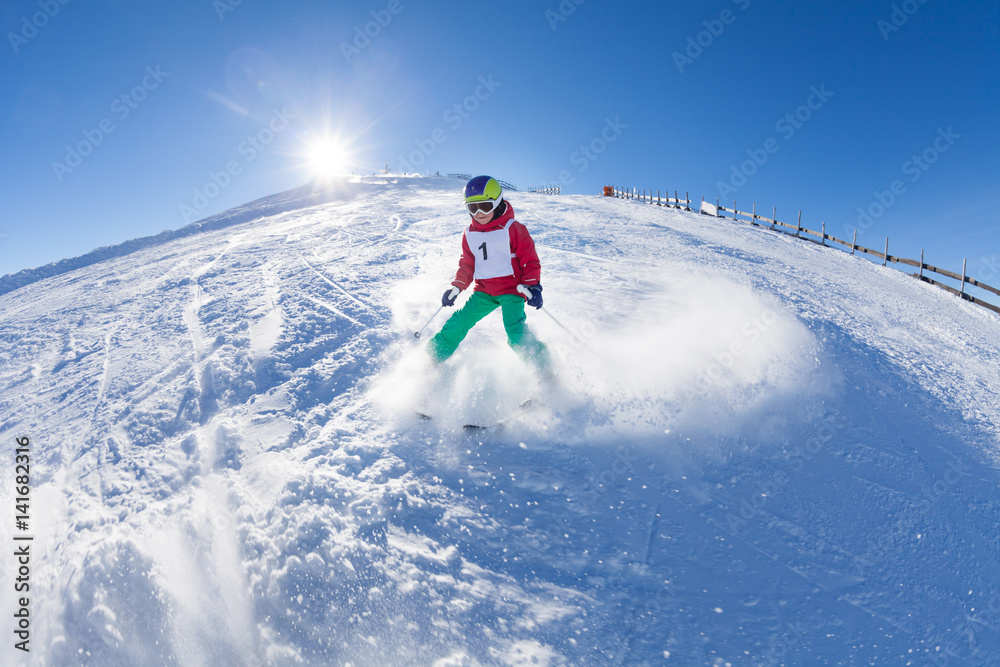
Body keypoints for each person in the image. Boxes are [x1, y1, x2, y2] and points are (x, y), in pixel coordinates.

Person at [427, 176, 551, 372]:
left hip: (512, 290)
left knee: (515, 332)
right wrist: (456, 287)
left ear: (498, 202)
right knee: (459, 321)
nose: (479, 213)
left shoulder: (514, 229)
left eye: (485, 206)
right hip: (484, 291)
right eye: (472, 208)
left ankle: (543, 372)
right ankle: (431, 360)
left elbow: (530, 261)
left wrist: (533, 286)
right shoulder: (470, 233)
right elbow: (467, 265)